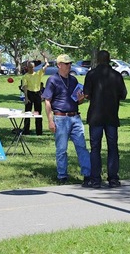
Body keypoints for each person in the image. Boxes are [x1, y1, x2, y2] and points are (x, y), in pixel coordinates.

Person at [41, 54, 91, 186]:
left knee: (82, 146)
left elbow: (77, 101)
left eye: (70, 64)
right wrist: (50, 121)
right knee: (61, 149)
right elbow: (47, 101)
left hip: (75, 117)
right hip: (60, 118)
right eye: (66, 64)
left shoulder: (73, 80)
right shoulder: (52, 80)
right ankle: (62, 175)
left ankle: (88, 174)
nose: (69, 66)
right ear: (59, 65)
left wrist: (81, 99)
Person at [84, 50, 127, 188]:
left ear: (97, 60)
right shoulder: (116, 75)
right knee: (112, 147)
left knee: (95, 147)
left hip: (96, 116)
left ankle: (96, 179)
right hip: (111, 115)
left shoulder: (91, 75)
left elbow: (86, 94)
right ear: (109, 60)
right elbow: (123, 94)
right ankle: (113, 178)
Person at [21, 54, 48, 135]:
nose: (31, 69)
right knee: (27, 113)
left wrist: (44, 57)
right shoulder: (25, 76)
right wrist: (26, 98)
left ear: (34, 67)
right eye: (29, 67)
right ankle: (26, 130)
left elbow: (46, 65)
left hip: (37, 94)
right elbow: (25, 87)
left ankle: (39, 132)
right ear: (27, 67)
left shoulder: (38, 74)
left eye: (32, 67)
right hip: (29, 93)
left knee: (38, 113)